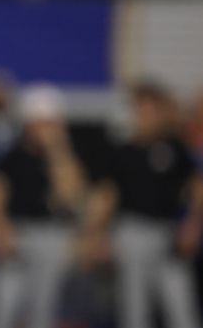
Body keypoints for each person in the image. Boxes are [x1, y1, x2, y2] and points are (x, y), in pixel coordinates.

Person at [90, 81, 203, 328]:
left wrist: (193, 226)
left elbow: (197, 190)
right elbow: (107, 197)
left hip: (168, 233)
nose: (145, 117)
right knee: (134, 308)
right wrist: (99, 235)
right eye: (140, 110)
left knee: (180, 304)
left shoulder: (174, 148)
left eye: (151, 110)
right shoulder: (122, 152)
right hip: (131, 232)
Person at [0, 84, 89, 328]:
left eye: (51, 123)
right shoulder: (11, 155)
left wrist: (57, 150)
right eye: (41, 123)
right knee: (4, 307)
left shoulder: (64, 156)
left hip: (52, 235)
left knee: (44, 311)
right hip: (17, 233)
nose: (45, 130)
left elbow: (71, 197)